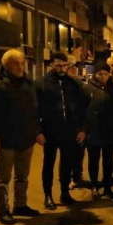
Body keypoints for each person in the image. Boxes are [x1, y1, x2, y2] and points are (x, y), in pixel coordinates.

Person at [0, 49, 43, 225]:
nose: (21, 67)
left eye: (22, 63)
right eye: (16, 63)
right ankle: (3, 210)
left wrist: (37, 131)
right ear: (6, 65)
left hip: (26, 139)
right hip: (6, 140)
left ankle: (20, 205)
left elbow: (34, 110)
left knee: (22, 176)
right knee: (4, 178)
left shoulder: (27, 83)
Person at [36, 52, 88, 208]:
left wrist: (82, 129)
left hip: (69, 130)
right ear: (52, 65)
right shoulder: (42, 84)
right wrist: (38, 132)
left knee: (66, 163)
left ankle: (65, 193)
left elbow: (81, 108)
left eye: (64, 65)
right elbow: (34, 110)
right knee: (49, 163)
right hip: (50, 130)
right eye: (58, 65)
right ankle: (48, 195)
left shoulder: (73, 84)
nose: (61, 68)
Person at [84, 62, 113, 199]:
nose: (103, 76)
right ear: (95, 74)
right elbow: (82, 109)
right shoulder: (87, 88)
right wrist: (84, 129)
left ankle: (107, 186)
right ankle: (94, 185)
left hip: (110, 130)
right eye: (100, 74)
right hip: (93, 130)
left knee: (108, 160)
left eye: (106, 74)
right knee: (93, 159)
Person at [66, 55, 87, 188]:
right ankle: (67, 178)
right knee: (67, 154)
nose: (74, 69)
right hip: (66, 125)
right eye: (71, 67)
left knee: (79, 152)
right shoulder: (60, 84)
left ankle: (77, 176)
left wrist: (83, 128)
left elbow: (83, 105)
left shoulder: (78, 83)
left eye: (75, 67)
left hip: (78, 124)